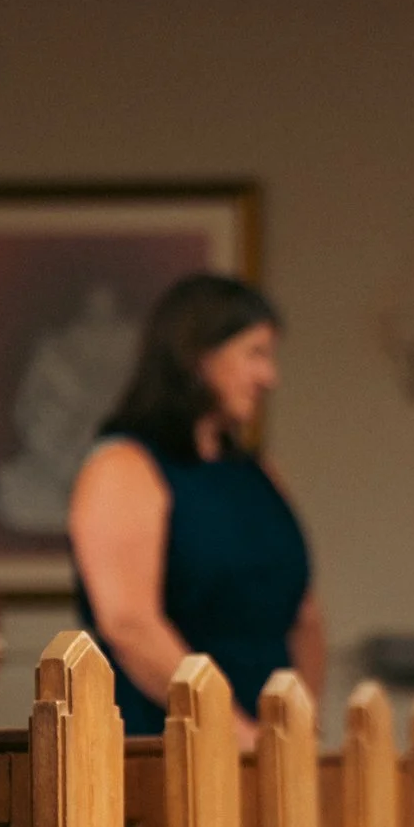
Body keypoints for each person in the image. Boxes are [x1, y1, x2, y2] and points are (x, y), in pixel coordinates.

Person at [69, 274, 321, 742]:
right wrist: (233, 730)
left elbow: (303, 613)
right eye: (256, 354)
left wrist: (299, 723)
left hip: (269, 732)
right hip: (166, 735)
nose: (270, 378)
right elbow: (128, 623)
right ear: (199, 356)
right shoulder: (124, 465)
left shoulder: (260, 473)